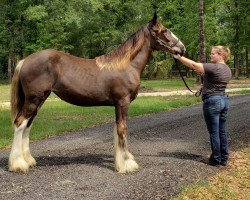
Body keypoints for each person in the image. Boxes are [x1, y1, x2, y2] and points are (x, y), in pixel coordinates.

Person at [173, 46, 232, 166]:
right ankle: (224, 158)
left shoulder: (214, 67)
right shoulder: (227, 69)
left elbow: (194, 65)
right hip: (223, 100)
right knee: (222, 132)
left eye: (213, 54)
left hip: (212, 102)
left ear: (221, 55)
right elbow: (211, 79)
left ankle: (216, 159)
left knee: (214, 132)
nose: (211, 56)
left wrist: (179, 57)